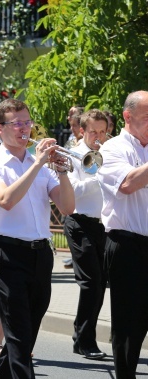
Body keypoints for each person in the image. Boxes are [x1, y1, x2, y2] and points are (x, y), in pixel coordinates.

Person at [0, 98, 75, 379]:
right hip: (7, 253)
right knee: (18, 332)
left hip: (41, 254)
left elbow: (67, 207)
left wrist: (63, 171)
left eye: (27, 122)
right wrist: (39, 164)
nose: (25, 128)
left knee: (28, 330)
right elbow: (6, 199)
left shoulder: (40, 164)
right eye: (17, 123)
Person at [97, 90, 148, 379]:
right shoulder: (112, 149)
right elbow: (128, 184)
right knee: (129, 324)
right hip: (127, 245)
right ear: (128, 117)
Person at [62, 109, 108, 360]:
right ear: (82, 131)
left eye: (103, 131)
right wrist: (96, 174)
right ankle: (84, 339)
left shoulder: (107, 154)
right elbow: (72, 191)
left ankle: (84, 337)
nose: (99, 137)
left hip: (104, 225)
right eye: (93, 132)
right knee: (91, 282)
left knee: (100, 284)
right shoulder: (73, 155)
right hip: (79, 222)